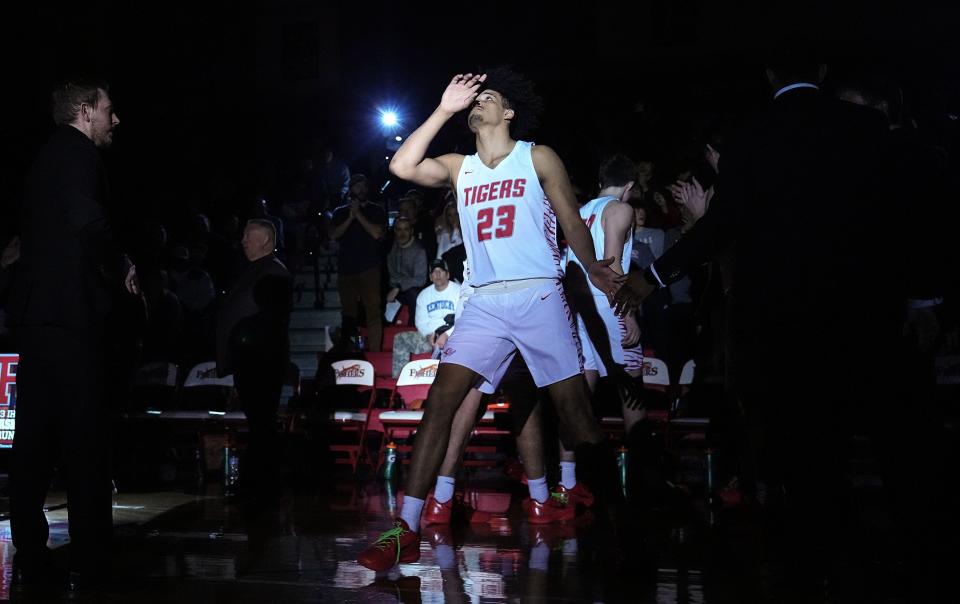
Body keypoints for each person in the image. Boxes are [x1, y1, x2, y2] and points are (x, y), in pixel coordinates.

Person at [612, 51, 926, 591]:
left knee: (797, 438)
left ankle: (808, 552)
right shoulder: (866, 126)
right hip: (859, 309)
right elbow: (898, 216)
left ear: (769, 76)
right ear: (824, 72)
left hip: (776, 315)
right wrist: (917, 297)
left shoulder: (751, 134)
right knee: (881, 434)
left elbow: (724, 222)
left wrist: (653, 276)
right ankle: (911, 557)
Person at [356, 68, 623, 571]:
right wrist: (443, 108)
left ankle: (619, 521)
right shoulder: (460, 166)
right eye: (473, 100)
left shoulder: (535, 156)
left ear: (509, 112)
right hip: (482, 302)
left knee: (577, 414)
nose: (477, 104)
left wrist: (593, 268)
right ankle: (406, 528)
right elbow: (402, 163)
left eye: (487, 98)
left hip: (538, 294)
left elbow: (570, 219)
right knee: (440, 401)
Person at [5, 78, 138, 588]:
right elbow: (89, 222)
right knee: (85, 438)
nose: (115, 120)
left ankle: (33, 550)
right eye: (109, 109)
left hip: (37, 315)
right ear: (85, 111)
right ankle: (91, 554)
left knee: (34, 437)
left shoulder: (46, 156)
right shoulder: (79, 154)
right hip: (71, 316)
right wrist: (122, 262)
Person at [557, 154, 645, 506]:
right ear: (629, 188)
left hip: (578, 306)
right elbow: (610, 267)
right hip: (607, 305)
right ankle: (641, 479)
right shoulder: (620, 210)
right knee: (632, 392)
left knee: (579, 396)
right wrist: (628, 314)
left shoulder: (582, 210)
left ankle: (565, 482)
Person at [216, 220, 292, 496]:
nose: (243, 240)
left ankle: (262, 482)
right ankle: (259, 480)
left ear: (266, 240)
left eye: (249, 236)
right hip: (250, 359)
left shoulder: (273, 271)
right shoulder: (254, 270)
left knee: (262, 422)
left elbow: (272, 321)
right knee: (258, 421)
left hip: (260, 360)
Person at [330, 174, 387, 350]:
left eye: (364, 186)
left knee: (373, 312)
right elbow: (334, 235)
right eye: (357, 186)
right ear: (351, 189)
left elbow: (377, 233)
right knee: (348, 314)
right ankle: (350, 352)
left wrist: (358, 214)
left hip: (369, 268)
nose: (361, 189)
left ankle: (375, 353)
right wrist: (350, 216)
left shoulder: (376, 210)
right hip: (346, 270)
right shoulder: (340, 212)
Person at [386, 216, 428, 321]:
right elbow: (391, 273)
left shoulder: (419, 251)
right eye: (399, 229)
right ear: (394, 231)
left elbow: (420, 279)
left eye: (406, 229)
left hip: (411, 289)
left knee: (414, 295)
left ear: (411, 231)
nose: (402, 233)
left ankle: (413, 330)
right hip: (394, 286)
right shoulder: (391, 247)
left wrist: (399, 286)